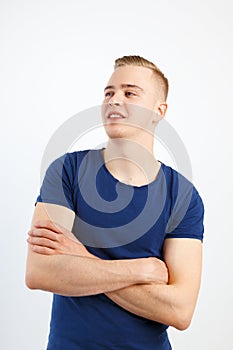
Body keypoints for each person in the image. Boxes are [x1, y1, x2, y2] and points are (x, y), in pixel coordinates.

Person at [25, 55, 204, 350]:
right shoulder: (67, 171)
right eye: (109, 92)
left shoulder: (182, 196)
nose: (114, 100)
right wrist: (141, 270)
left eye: (129, 92)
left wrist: (80, 256)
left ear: (159, 111)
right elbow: (40, 272)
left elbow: (180, 311)